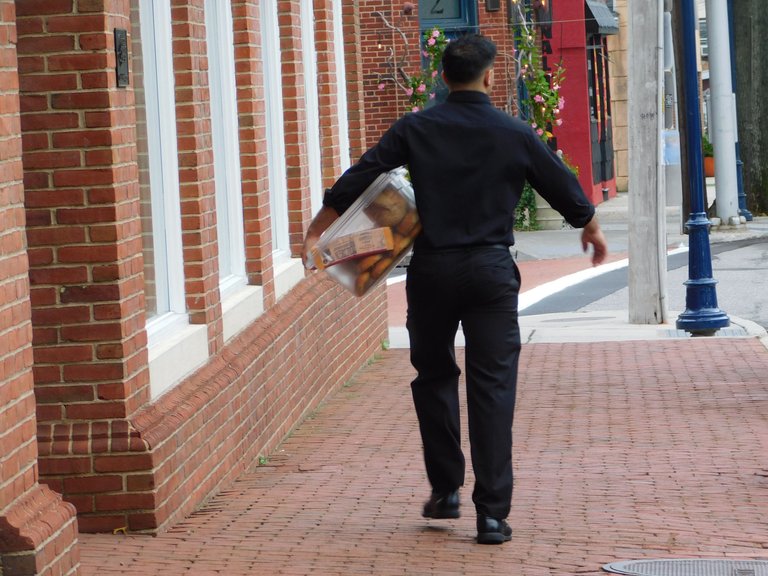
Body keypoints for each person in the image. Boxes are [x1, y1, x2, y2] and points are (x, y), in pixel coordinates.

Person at [302, 34, 608, 545]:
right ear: (489, 77)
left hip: (434, 271)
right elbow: (557, 179)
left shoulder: (416, 128)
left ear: (442, 77)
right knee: (492, 388)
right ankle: (492, 515)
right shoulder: (514, 132)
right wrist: (588, 224)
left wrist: (320, 225)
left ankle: (445, 489)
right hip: (490, 272)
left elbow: (365, 171)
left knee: (435, 374)